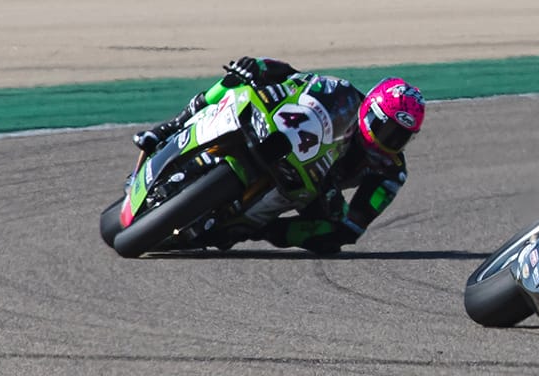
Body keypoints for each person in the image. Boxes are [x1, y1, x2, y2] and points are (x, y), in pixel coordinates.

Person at [132, 56, 424, 255]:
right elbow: (295, 77)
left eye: (399, 137)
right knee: (236, 81)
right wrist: (259, 67)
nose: (388, 141)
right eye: (384, 129)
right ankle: (172, 126)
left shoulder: (390, 172)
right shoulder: (341, 92)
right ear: (369, 108)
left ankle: (247, 228)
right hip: (286, 140)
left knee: (331, 237)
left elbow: (354, 225)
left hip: (315, 188)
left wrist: (334, 207)